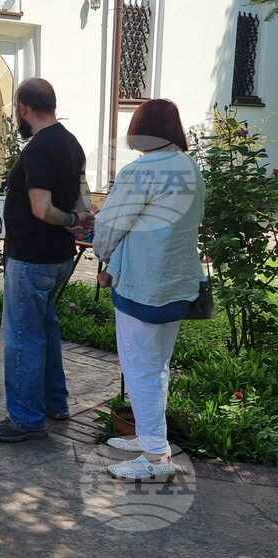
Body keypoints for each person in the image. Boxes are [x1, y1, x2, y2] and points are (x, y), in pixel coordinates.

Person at [93, 99, 204, 481]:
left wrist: (101, 254)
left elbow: (110, 226)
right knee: (156, 366)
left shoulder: (140, 171)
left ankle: (156, 457)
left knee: (140, 367)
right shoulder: (189, 167)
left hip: (143, 284)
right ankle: (148, 436)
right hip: (176, 283)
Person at [0, 79, 92, 443]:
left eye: (18, 108)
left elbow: (42, 209)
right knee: (46, 329)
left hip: (33, 256)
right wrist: (80, 219)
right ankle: (54, 403)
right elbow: (83, 200)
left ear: (25, 108)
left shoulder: (39, 148)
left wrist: (72, 221)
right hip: (58, 256)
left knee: (22, 336)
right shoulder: (71, 142)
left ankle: (25, 419)